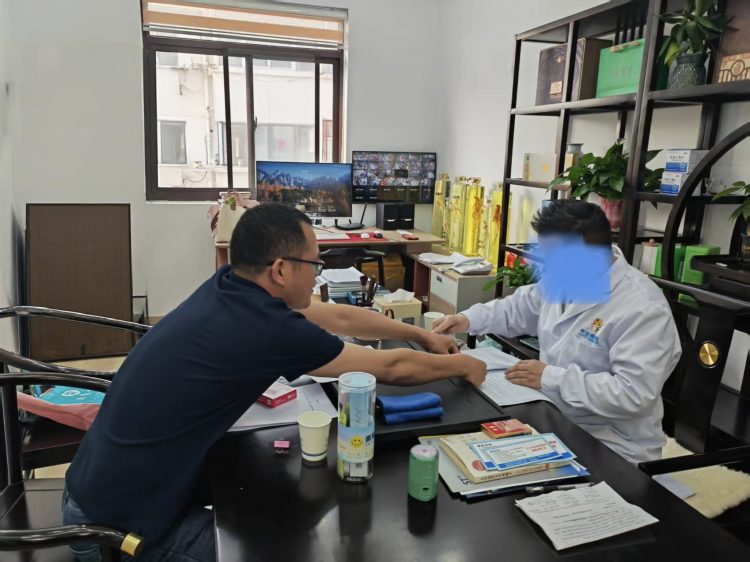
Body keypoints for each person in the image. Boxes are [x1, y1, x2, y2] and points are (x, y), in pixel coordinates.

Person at [62, 203, 486, 561]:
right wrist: (463, 366)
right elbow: (389, 368)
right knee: (297, 546)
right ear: (281, 269)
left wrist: (423, 335)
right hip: (117, 530)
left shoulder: (231, 286)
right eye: (315, 264)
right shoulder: (266, 329)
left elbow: (339, 315)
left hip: (99, 489)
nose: (317, 275)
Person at [434, 200, 681, 464]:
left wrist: (549, 377)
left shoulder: (642, 308)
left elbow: (633, 395)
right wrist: (466, 319)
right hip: (553, 416)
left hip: (613, 443)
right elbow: (518, 308)